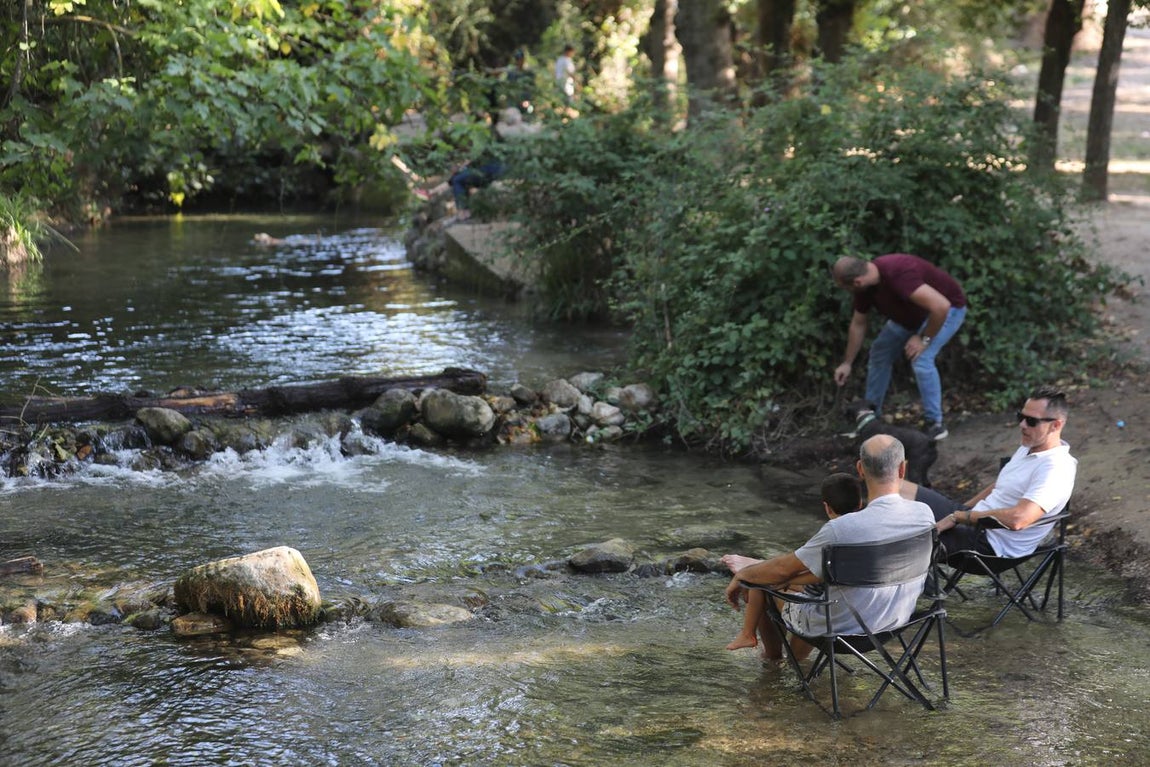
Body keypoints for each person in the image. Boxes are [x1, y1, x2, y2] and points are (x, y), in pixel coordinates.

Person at [724, 435, 935, 661]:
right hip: (895, 623)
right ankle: (795, 666)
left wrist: (746, 573)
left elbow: (783, 570)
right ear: (902, 469)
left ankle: (773, 665)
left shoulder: (842, 529)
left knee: (764, 585)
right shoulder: (924, 515)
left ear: (860, 469)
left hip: (841, 631)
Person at [902, 386, 1076, 559]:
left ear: (1056, 425)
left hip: (989, 545)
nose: (1022, 425)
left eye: (1031, 421)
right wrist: (963, 510)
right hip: (974, 521)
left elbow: (1019, 519)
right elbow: (1000, 485)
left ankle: (921, 585)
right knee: (894, 486)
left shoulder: (1057, 468)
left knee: (901, 539)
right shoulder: (1029, 446)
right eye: (1020, 417)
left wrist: (960, 516)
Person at [832, 254, 968, 441]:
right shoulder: (865, 287)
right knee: (880, 353)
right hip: (910, 318)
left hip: (947, 311)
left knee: (921, 359)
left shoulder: (898, 273)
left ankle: (935, 424)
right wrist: (847, 363)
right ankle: (870, 420)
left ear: (856, 282)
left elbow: (941, 306)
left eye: (845, 288)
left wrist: (923, 339)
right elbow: (858, 323)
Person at [721, 472, 863, 653]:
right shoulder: (870, 533)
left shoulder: (833, 534)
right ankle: (794, 660)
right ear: (860, 504)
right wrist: (789, 580)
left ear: (827, 507)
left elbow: (810, 575)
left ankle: (758, 645)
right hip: (869, 621)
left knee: (760, 581)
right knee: (772, 575)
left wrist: (784, 578)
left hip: (827, 612)